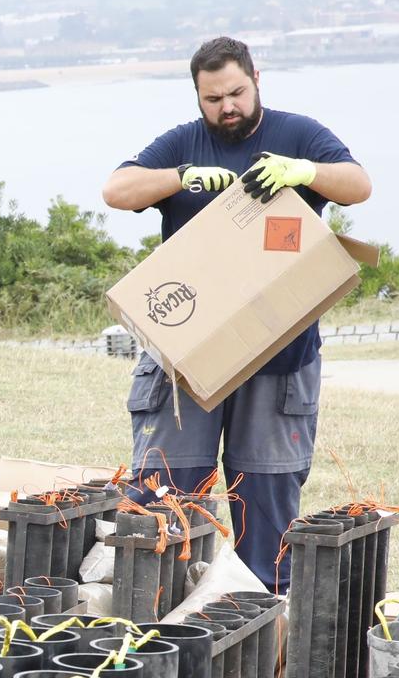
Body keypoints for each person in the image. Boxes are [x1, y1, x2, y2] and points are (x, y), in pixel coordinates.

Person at [102, 35, 371, 591]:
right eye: (213, 99)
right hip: (186, 361)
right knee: (167, 500)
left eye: (237, 93)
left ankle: (262, 631)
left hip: (279, 360)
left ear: (256, 80)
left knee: (267, 511)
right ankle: (165, 619)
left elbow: (358, 185)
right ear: (197, 98)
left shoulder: (298, 133)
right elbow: (117, 190)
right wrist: (181, 178)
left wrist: (303, 172)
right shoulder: (184, 142)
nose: (227, 107)